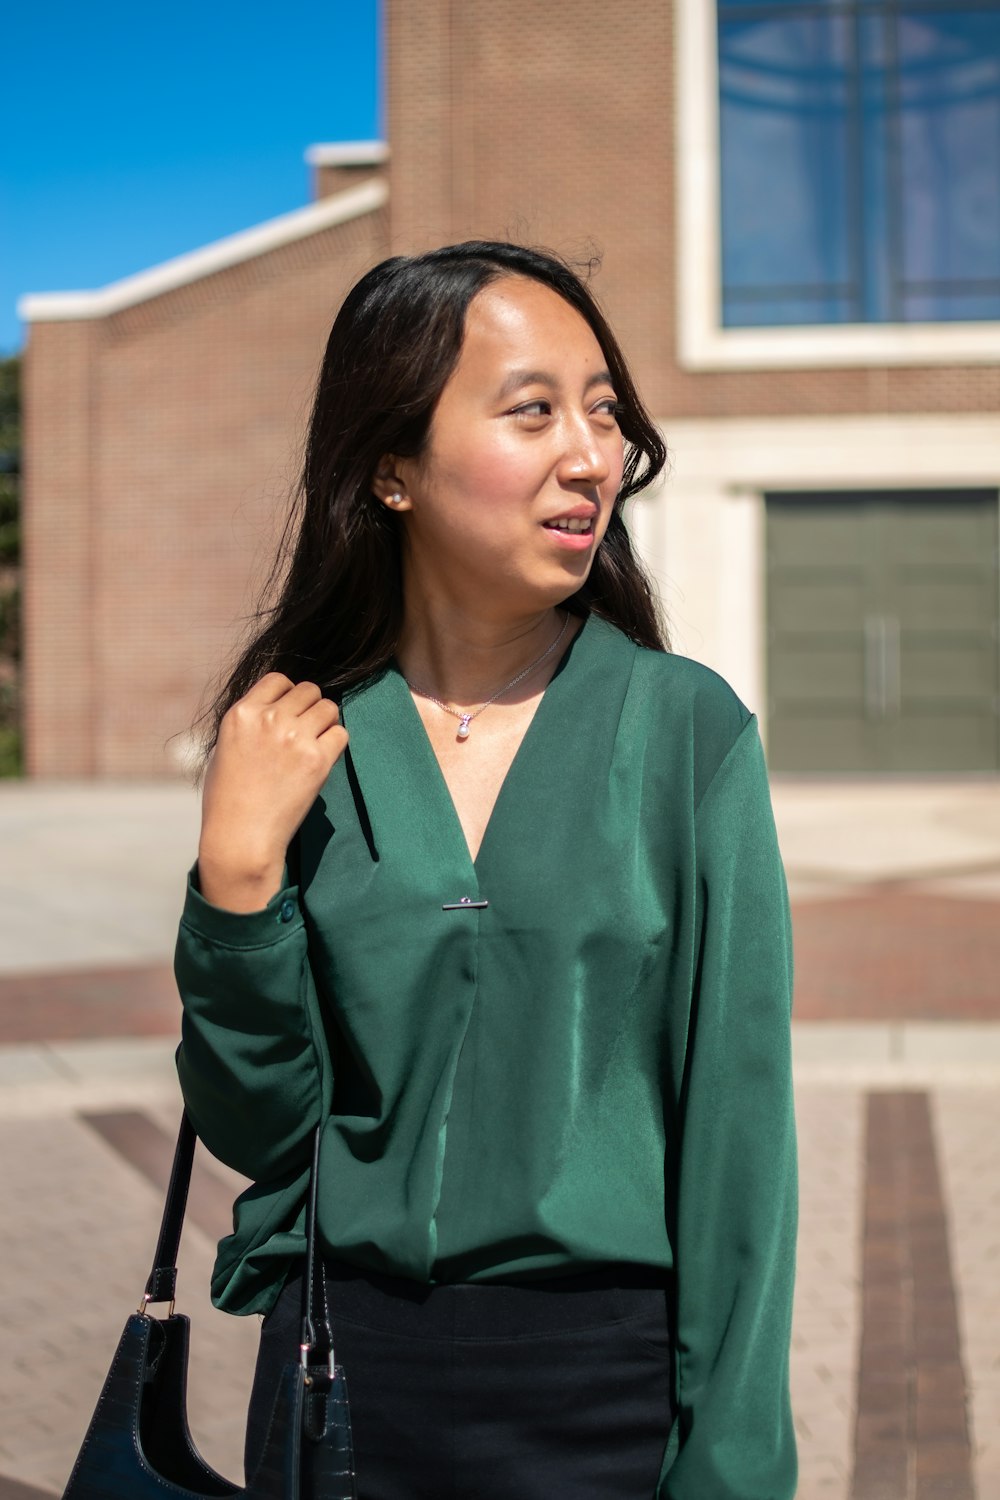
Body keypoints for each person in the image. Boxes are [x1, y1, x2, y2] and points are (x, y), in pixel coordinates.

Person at [174, 241, 798, 1499]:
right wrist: (234, 884)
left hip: (605, 1401)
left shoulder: (684, 731)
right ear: (392, 468)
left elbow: (741, 1140)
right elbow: (263, 1132)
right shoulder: (295, 736)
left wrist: (730, 1465)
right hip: (335, 1386)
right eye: (534, 411)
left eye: (605, 412)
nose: (590, 455)